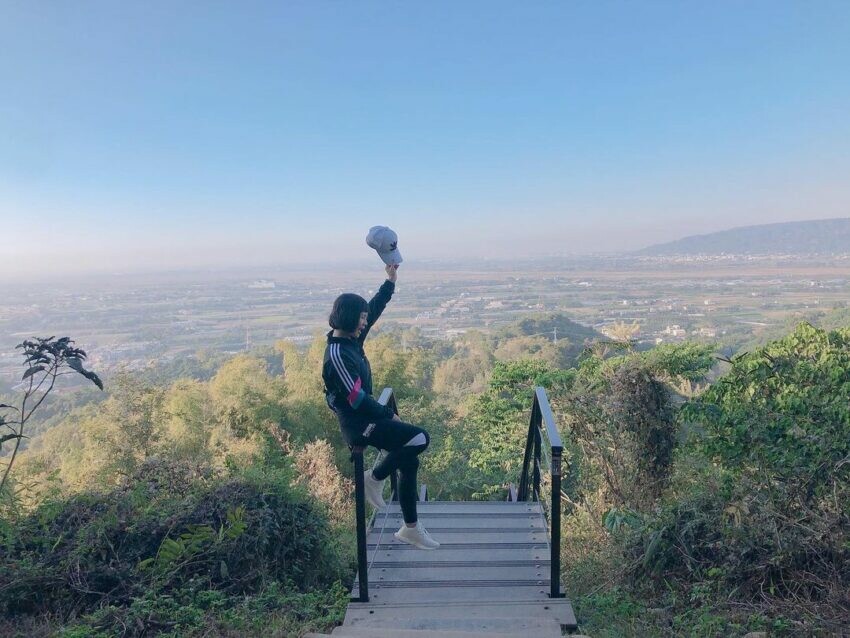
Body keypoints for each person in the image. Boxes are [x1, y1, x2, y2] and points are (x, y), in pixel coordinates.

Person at [322, 264, 439, 550]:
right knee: (419, 438)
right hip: (359, 426)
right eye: (360, 319)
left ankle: (411, 528)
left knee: (409, 459)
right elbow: (357, 399)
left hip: (368, 418)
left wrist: (390, 281)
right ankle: (373, 479)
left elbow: (374, 310)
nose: (364, 323)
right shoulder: (337, 354)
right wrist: (389, 414)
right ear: (349, 318)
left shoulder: (350, 339)